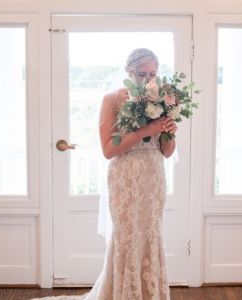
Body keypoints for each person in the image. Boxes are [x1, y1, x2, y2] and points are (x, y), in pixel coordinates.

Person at [32, 48, 177, 300]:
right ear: (129, 72)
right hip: (126, 177)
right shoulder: (112, 99)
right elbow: (109, 150)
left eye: (153, 73)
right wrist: (147, 129)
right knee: (127, 235)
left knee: (151, 233)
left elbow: (166, 151)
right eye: (141, 73)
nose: (148, 79)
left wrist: (169, 131)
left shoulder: (162, 100)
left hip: (154, 177)